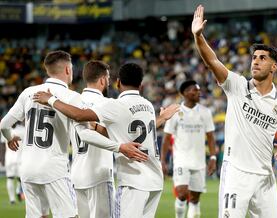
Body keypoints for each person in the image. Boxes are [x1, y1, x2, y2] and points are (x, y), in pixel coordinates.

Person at [191, 5, 277, 218]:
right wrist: (198, 37)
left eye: (262, 58)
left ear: (273, 67)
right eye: (254, 57)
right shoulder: (237, 86)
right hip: (236, 173)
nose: (256, 61)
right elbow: (212, 60)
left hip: (265, 178)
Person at [33, 62, 180, 218]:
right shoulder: (148, 106)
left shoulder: (113, 105)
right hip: (154, 181)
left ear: (118, 82)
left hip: (131, 181)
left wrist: (51, 100)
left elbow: (79, 115)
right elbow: (138, 132)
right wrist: (162, 118)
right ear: (141, 84)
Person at [0, 50, 79, 218]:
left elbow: (4, 124)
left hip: (28, 168)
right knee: (68, 216)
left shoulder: (28, 92)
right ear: (67, 70)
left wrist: (9, 137)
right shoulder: (72, 97)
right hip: (53, 168)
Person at [161, 80, 216, 218]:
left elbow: (210, 137)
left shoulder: (205, 112)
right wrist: (163, 160)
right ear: (184, 93)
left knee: (195, 199)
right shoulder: (175, 112)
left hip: (199, 162)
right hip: (181, 160)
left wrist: (213, 158)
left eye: (199, 90)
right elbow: (166, 138)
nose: (198, 92)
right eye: (194, 90)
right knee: (182, 194)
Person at [70, 60, 115, 218]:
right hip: (99, 175)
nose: (108, 82)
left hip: (76, 175)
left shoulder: (71, 103)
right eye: (108, 78)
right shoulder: (108, 104)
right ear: (103, 79)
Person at [2, 122, 25, 204]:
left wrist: (2, 159)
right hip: (19, 158)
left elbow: (2, 145)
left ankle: (12, 198)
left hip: (11, 158)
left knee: (11, 178)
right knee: (19, 179)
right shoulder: (23, 130)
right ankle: (17, 193)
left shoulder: (5, 130)